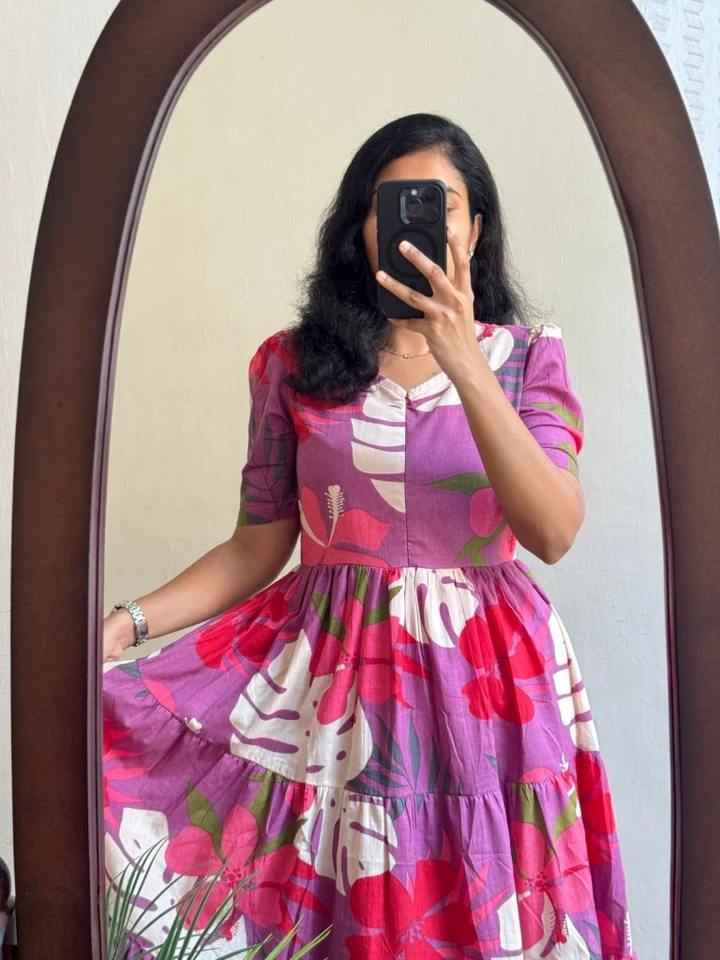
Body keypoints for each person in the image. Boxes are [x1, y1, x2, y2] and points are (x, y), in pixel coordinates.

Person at [102, 112, 638, 959]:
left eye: (441, 204)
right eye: (392, 204)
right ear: (362, 226)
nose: (418, 223)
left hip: (490, 694)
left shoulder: (529, 357)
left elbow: (553, 528)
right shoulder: (292, 365)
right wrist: (125, 626)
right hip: (328, 692)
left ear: (476, 228)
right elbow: (255, 545)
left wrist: (463, 357)